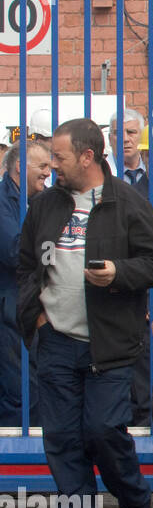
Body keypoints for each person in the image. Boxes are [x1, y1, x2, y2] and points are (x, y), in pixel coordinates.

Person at [17, 118, 153, 508]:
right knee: (62, 439)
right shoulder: (45, 205)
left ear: (87, 156)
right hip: (57, 341)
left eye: (59, 158)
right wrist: (38, 317)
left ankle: (138, 506)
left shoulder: (127, 203)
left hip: (109, 344)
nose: (53, 166)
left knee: (103, 432)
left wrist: (119, 274)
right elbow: (26, 262)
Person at [1, 140, 50, 425]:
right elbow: (14, 250)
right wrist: (50, 248)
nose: (49, 171)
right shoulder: (3, 201)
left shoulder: (34, 200)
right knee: (19, 392)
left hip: (29, 309)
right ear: (21, 166)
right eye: (42, 166)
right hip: (9, 312)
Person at [110, 108, 147, 201]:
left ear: (143, 137)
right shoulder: (100, 175)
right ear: (110, 139)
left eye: (131, 132)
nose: (125, 139)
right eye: (118, 133)